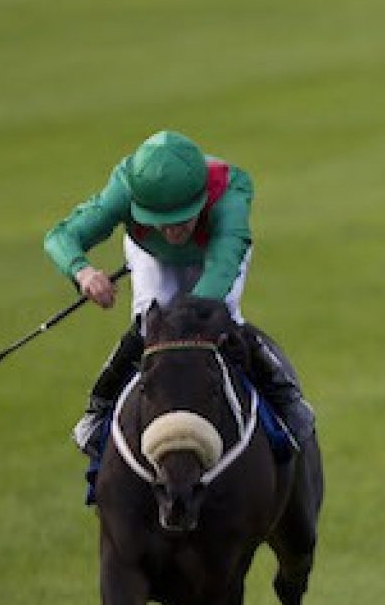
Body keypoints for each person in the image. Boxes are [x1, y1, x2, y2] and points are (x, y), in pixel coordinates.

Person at [42, 129, 314, 454]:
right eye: (160, 220)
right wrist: (83, 271)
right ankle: (100, 407)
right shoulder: (124, 188)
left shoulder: (229, 191)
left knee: (220, 319)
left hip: (216, 255)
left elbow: (224, 264)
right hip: (150, 254)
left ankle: (285, 399)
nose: (172, 230)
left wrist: (190, 318)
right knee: (149, 322)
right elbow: (61, 236)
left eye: (182, 219)